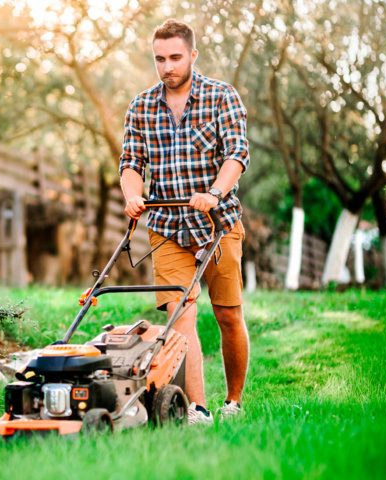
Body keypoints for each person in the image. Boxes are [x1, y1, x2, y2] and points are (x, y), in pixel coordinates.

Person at [119, 19, 249, 425]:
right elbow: (131, 163)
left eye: (175, 57)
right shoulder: (141, 106)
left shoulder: (221, 96)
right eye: (159, 59)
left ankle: (233, 402)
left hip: (217, 222)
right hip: (167, 227)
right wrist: (132, 195)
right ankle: (199, 409)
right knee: (181, 320)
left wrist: (214, 192)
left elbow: (236, 155)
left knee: (228, 316)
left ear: (192, 55)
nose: (167, 66)